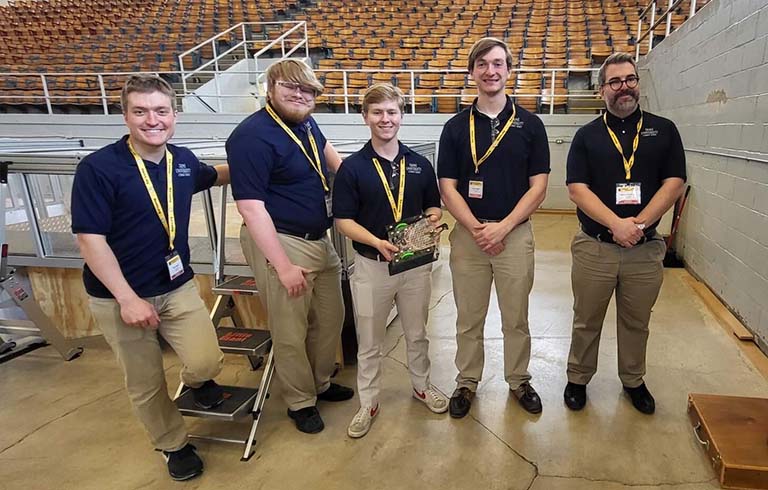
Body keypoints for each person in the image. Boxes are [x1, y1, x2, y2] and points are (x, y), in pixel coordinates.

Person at [71, 75, 229, 481]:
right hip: (118, 296)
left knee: (207, 360)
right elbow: (90, 240)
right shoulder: (98, 168)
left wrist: (263, 166)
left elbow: (214, 176)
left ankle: (196, 381)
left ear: (174, 115)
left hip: (176, 284)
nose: (152, 120)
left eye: (161, 111)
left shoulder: (182, 161)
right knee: (145, 382)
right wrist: (127, 298)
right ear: (125, 116)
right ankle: (173, 444)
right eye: (140, 111)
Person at [226, 59, 353, 435]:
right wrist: (281, 265)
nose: (300, 94)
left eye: (307, 89)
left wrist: (367, 183)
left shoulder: (306, 123)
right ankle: (300, 400)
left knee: (330, 318)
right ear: (270, 89)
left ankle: (320, 383)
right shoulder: (251, 136)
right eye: (290, 86)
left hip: (319, 239)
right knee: (290, 329)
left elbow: (331, 158)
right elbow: (251, 208)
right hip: (282, 240)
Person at [564, 52, 686, 415]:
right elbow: (577, 189)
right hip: (595, 247)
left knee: (636, 321)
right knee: (586, 319)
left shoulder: (664, 130)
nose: (624, 87)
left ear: (638, 83)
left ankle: (633, 380)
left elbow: (674, 183)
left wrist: (639, 225)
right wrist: (616, 225)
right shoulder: (586, 136)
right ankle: (578, 378)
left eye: (630, 79)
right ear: (602, 90)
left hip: (644, 250)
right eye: (615, 82)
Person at [437, 37, 551, 419]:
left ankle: (518, 380)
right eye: (483, 64)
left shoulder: (530, 124)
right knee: (469, 317)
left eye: (498, 63)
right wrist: (476, 228)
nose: (491, 71)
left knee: (515, 317)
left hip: (514, 236)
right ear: (472, 72)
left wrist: (503, 228)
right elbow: (447, 188)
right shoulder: (455, 127)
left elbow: (539, 187)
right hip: (469, 238)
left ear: (508, 70)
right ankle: (466, 381)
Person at [332, 83, 449, 438]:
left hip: (415, 267)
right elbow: (343, 220)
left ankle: (422, 386)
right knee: (369, 341)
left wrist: (431, 221)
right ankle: (368, 403)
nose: (386, 119)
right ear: (365, 117)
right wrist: (376, 242)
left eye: (392, 112)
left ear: (401, 116)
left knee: (417, 333)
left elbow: (433, 205)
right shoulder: (352, 168)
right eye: (378, 112)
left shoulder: (420, 164)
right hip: (371, 268)